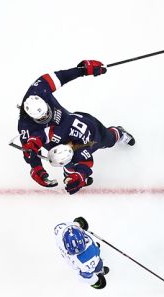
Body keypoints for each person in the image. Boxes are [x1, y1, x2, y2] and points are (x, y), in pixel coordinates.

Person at [17, 60, 136, 195]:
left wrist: (83, 70)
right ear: (32, 117)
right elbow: (30, 152)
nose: (47, 118)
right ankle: (71, 174)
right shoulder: (26, 128)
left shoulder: (39, 90)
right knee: (64, 156)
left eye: (47, 113)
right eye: (42, 119)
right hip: (61, 142)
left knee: (107, 140)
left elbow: (60, 77)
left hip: (80, 127)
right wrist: (37, 168)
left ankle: (118, 133)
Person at [53, 217, 109, 289]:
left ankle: (95, 248)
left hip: (87, 252)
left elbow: (72, 225)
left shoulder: (61, 229)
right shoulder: (85, 262)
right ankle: (99, 270)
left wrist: (79, 223)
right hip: (85, 258)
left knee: (94, 251)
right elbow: (85, 277)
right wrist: (96, 281)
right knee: (98, 264)